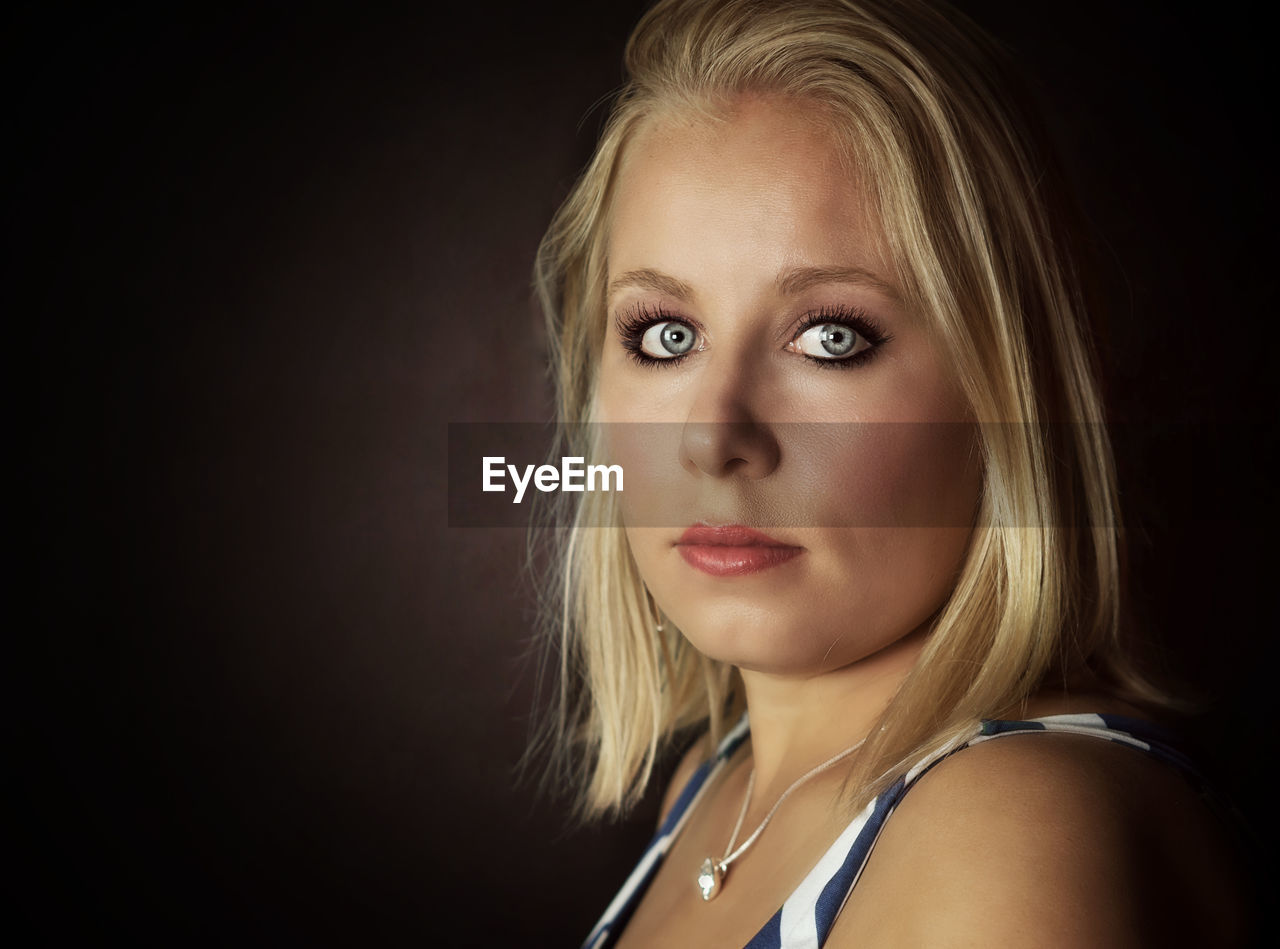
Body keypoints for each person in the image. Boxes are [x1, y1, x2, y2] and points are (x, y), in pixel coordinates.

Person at [530, 0, 1249, 945]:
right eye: (665, 336)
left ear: (1004, 393)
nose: (713, 440)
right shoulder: (712, 781)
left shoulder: (1009, 825)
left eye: (831, 338)